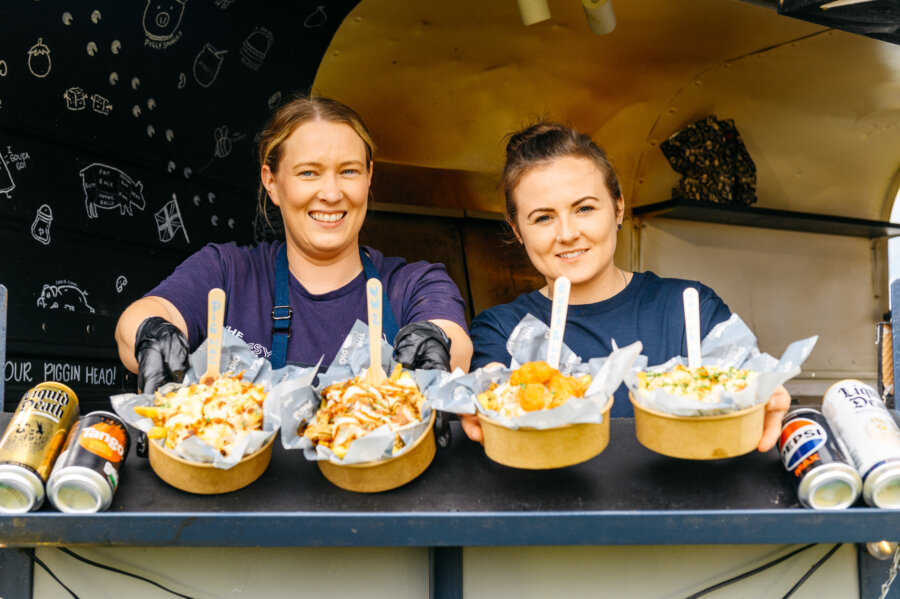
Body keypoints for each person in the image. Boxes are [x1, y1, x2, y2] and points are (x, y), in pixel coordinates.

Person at [115, 95, 473, 424]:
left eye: (349, 171)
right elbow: (137, 321)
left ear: (368, 178)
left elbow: (454, 343)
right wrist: (151, 332)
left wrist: (434, 341)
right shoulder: (226, 271)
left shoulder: (415, 284)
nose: (331, 193)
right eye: (308, 173)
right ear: (271, 182)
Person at [462, 122, 789, 452]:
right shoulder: (501, 330)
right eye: (543, 217)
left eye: (584, 208)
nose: (567, 233)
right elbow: (490, 392)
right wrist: (485, 393)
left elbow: (747, 386)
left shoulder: (689, 308)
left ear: (618, 209)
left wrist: (764, 396)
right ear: (518, 230)